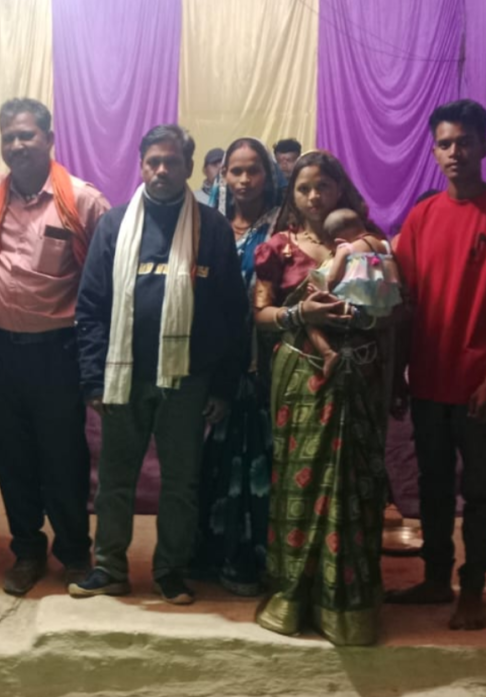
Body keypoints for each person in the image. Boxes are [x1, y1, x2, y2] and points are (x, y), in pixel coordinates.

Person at [71, 125, 247, 604]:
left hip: (188, 381)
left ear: (188, 166)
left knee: (181, 483)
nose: (162, 170)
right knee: (114, 480)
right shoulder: (114, 225)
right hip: (122, 376)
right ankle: (109, 567)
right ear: (141, 164)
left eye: (171, 161)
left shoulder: (212, 228)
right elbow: (91, 307)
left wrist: (222, 386)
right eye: (153, 161)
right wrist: (93, 379)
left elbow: (232, 313)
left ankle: (171, 570)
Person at [388, 100, 486, 632]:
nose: (455, 152)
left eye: (465, 142)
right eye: (445, 144)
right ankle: (435, 578)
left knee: (480, 490)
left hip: (477, 385)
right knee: (431, 487)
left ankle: (473, 588)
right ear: (434, 151)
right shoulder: (421, 217)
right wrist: (398, 373)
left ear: (484, 147)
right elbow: (404, 305)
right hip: (427, 381)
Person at [0, 98, 110, 596]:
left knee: (63, 458)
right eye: (9, 136)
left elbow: (105, 277)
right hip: (2, 352)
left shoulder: (82, 200)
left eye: (27, 134)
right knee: (12, 459)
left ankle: (74, 551)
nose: (17, 144)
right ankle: (27, 550)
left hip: (58, 354)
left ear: (49, 138)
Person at [253, 150, 393, 646]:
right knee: (303, 479)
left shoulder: (368, 241)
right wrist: (301, 315)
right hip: (302, 376)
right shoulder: (279, 248)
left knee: (354, 480)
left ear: (340, 190)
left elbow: (392, 307)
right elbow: (260, 314)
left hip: (360, 375)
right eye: (304, 188)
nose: (314, 196)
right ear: (291, 196)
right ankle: (293, 595)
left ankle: (347, 602)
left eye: (323, 187)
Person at [192, 137, 286, 596]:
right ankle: (215, 554)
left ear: (269, 175)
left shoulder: (284, 224)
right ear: (222, 175)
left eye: (254, 170)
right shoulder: (208, 225)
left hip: (270, 359)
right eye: (236, 171)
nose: (244, 180)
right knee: (217, 457)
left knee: (264, 459)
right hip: (217, 359)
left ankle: (259, 560)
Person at [304, 208, 400, 379]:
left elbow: (333, 278)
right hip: (382, 308)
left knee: (310, 321)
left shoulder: (347, 248)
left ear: (337, 240)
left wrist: (324, 289)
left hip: (354, 305)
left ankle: (327, 353)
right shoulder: (384, 245)